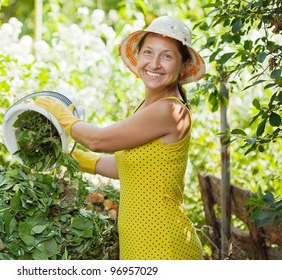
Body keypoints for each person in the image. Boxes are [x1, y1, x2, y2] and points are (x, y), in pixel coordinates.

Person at [35, 15, 206, 260]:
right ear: (138, 56)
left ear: (182, 65)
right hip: (141, 244)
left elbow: (98, 140)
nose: (154, 63)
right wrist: (71, 158)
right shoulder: (150, 107)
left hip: (165, 246)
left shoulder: (170, 110)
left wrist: (62, 115)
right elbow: (131, 167)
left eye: (167, 56)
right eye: (148, 52)